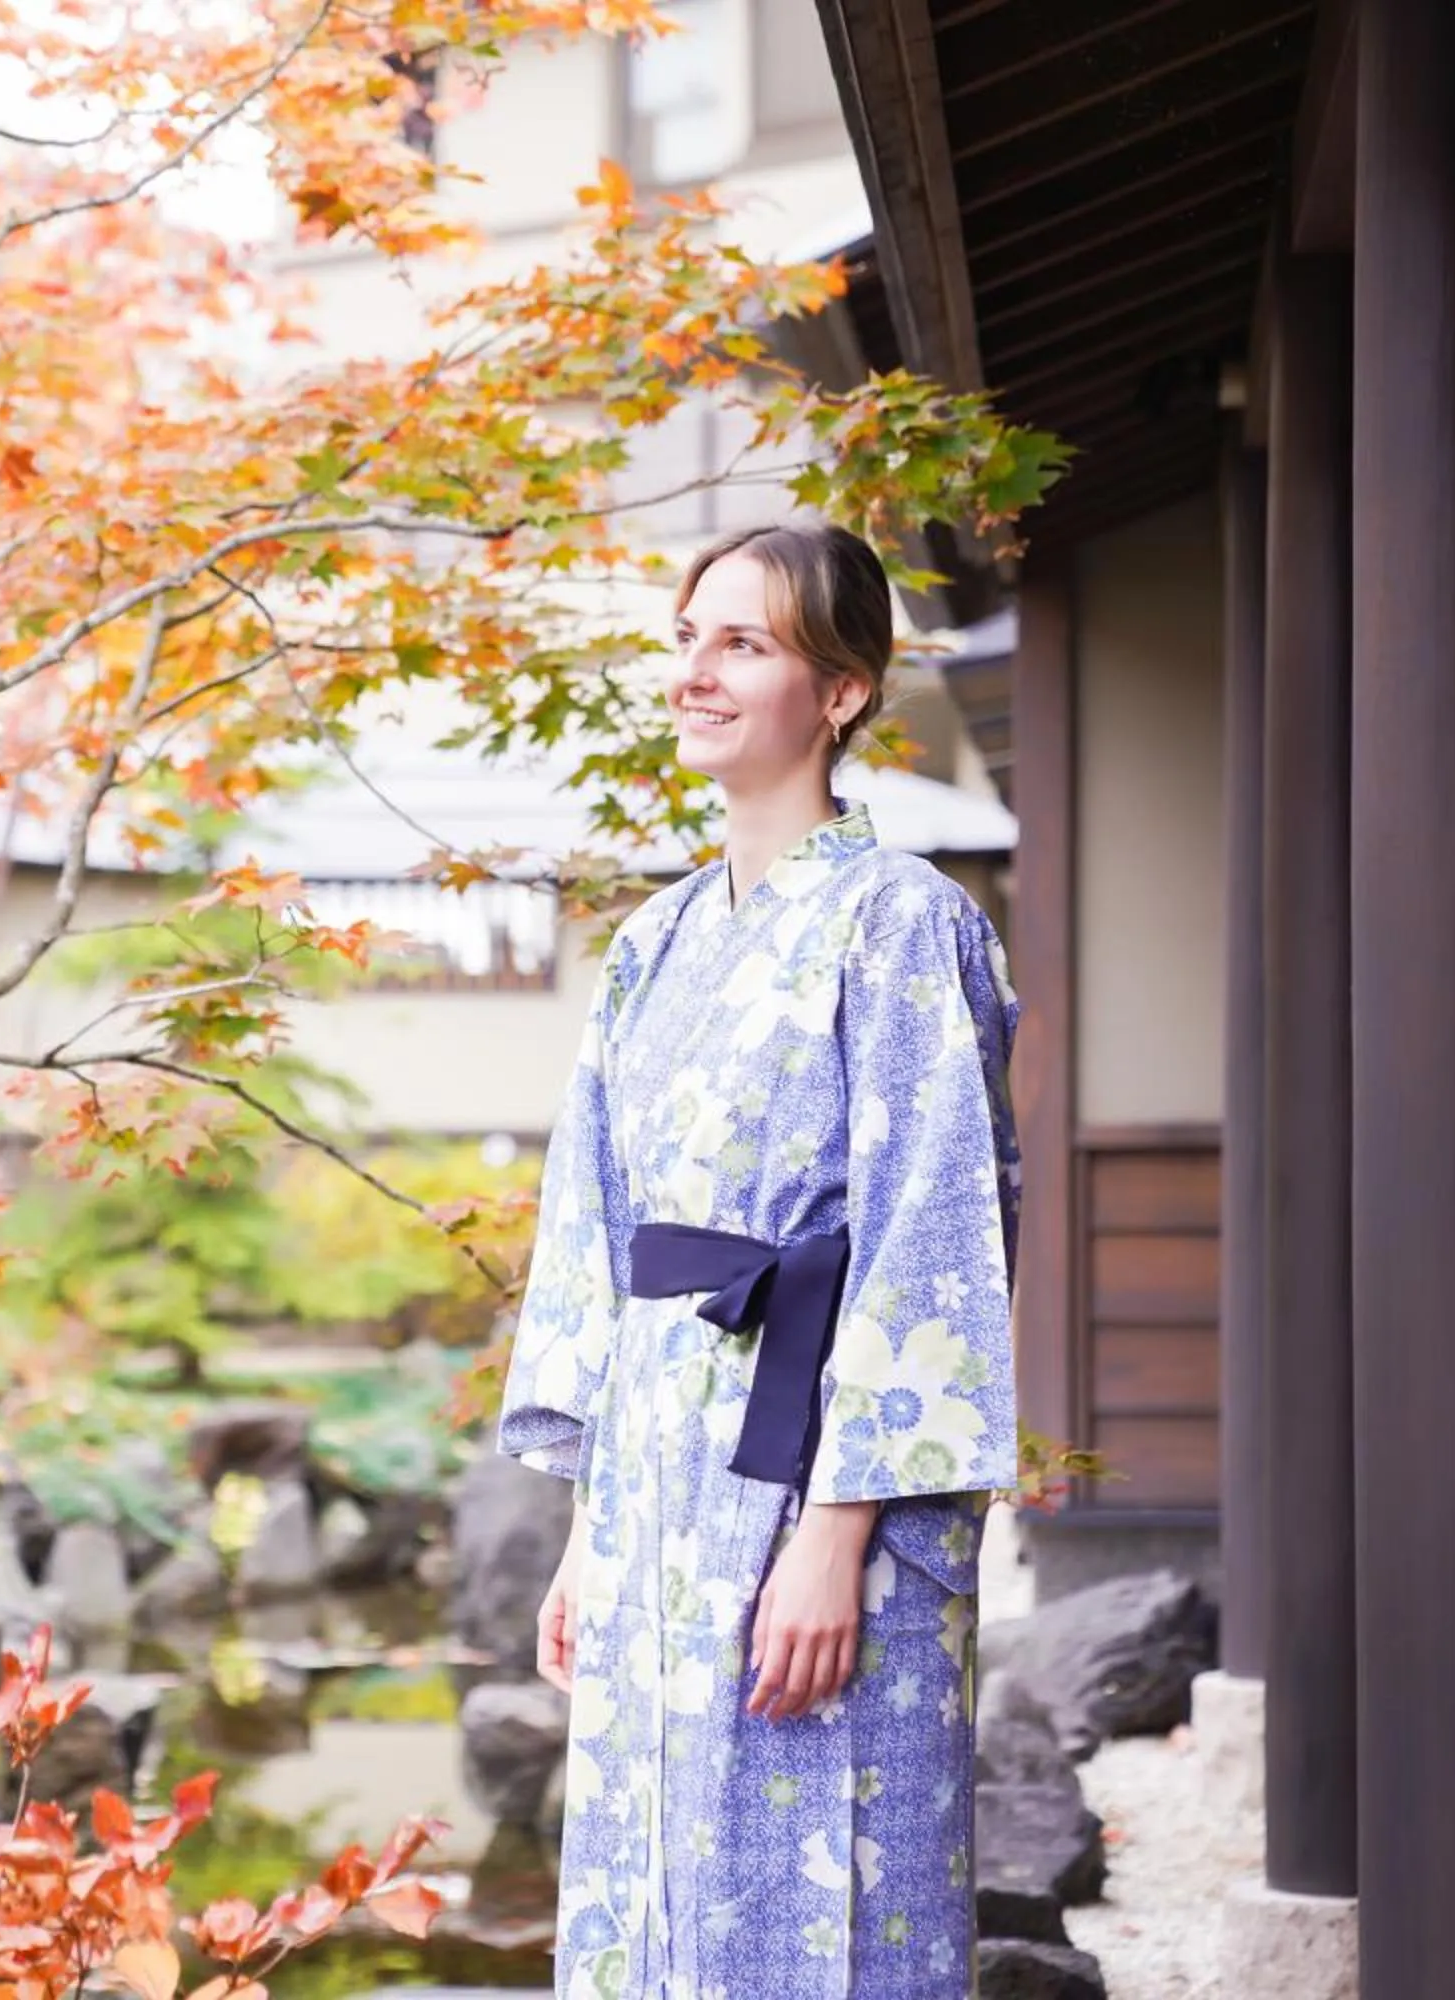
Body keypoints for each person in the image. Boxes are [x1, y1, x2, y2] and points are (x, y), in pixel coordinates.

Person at [497, 520, 1021, 1998]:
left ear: (842, 691)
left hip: (818, 1477)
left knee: (826, 1864)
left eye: (744, 644)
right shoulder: (654, 945)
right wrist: (588, 1532)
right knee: (655, 1869)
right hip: (660, 1474)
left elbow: (934, 1242)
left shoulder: (905, 924)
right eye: (688, 640)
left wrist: (838, 1541)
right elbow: (593, 1235)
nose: (697, 674)